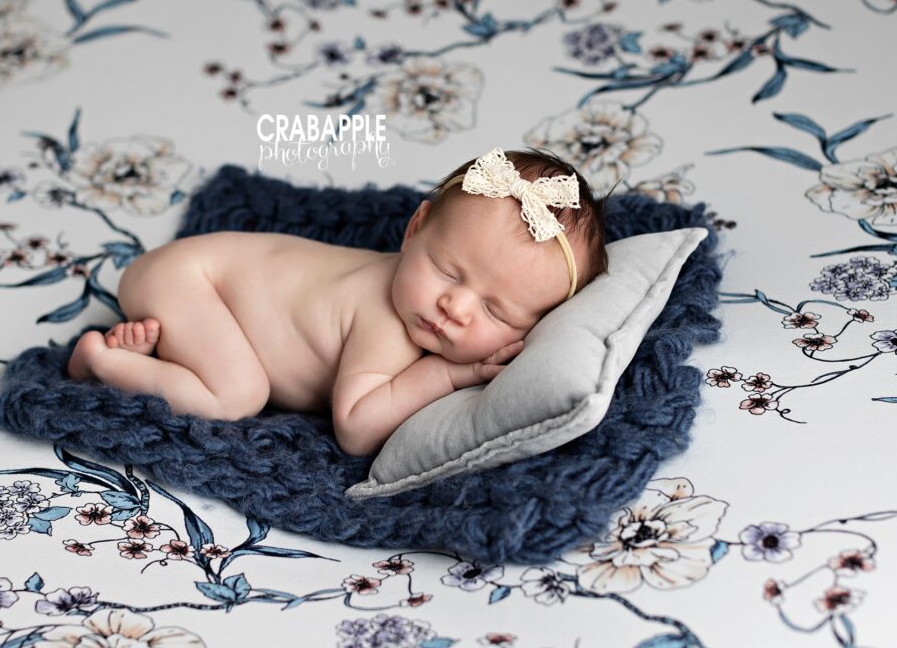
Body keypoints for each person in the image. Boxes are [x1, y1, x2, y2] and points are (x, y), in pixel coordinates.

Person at [67, 147, 609, 456]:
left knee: (230, 365)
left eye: (497, 312)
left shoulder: (421, 303)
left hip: (206, 288)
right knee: (236, 393)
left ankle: (161, 351)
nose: (456, 308)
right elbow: (353, 428)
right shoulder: (386, 320)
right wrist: (448, 377)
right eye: (446, 270)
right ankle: (99, 359)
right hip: (189, 278)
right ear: (414, 229)